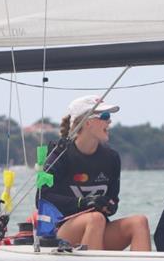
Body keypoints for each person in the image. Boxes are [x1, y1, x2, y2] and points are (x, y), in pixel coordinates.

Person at [37, 95, 151, 251]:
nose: (109, 121)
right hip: (60, 231)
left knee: (139, 222)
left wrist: (109, 206)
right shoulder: (58, 155)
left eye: (109, 117)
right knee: (95, 219)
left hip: (98, 228)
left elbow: (113, 200)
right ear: (87, 122)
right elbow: (41, 197)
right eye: (104, 116)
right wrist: (83, 202)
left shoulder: (112, 158)